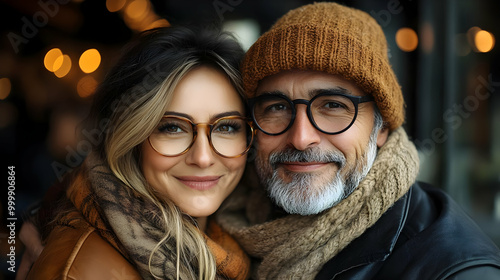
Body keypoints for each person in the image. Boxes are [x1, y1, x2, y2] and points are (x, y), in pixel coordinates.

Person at [211, 2, 500, 279]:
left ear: (382, 126)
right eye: (277, 107)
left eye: (333, 106)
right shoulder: (218, 224)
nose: (300, 139)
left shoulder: (454, 269)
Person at [22, 25, 253, 280]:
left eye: (227, 127)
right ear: (131, 138)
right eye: (172, 127)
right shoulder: (78, 273)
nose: (203, 157)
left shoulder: (248, 232)